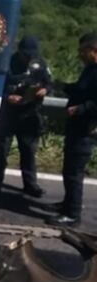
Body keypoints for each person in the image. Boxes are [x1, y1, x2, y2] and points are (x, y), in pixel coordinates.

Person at [0, 36, 52, 200]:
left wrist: (44, 90)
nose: (28, 57)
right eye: (26, 54)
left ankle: (30, 185)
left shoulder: (39, 64)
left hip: (29, 113)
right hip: (9, 113)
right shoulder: (7, 63)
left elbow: (48, 83)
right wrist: (7, 97)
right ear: (19, 51)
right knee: (2, 151)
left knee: (28, 151)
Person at [47, 32, 97, 226]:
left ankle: (73, 215)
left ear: (93, 50)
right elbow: (80, 90)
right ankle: (67, 204)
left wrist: (81, 108)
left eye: (82, 51)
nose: (80, 55)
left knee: (74, 172)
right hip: (76, 126)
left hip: (86, 129)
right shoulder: (89, 70)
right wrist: (63, 87)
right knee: (68, 168)